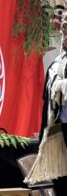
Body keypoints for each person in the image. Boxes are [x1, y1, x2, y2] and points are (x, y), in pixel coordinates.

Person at [24, 12, 67, 196]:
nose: (65, 34)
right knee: (62, 176)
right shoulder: (58, 64)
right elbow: (48, 99)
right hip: (60, 126)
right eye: (64, 29)